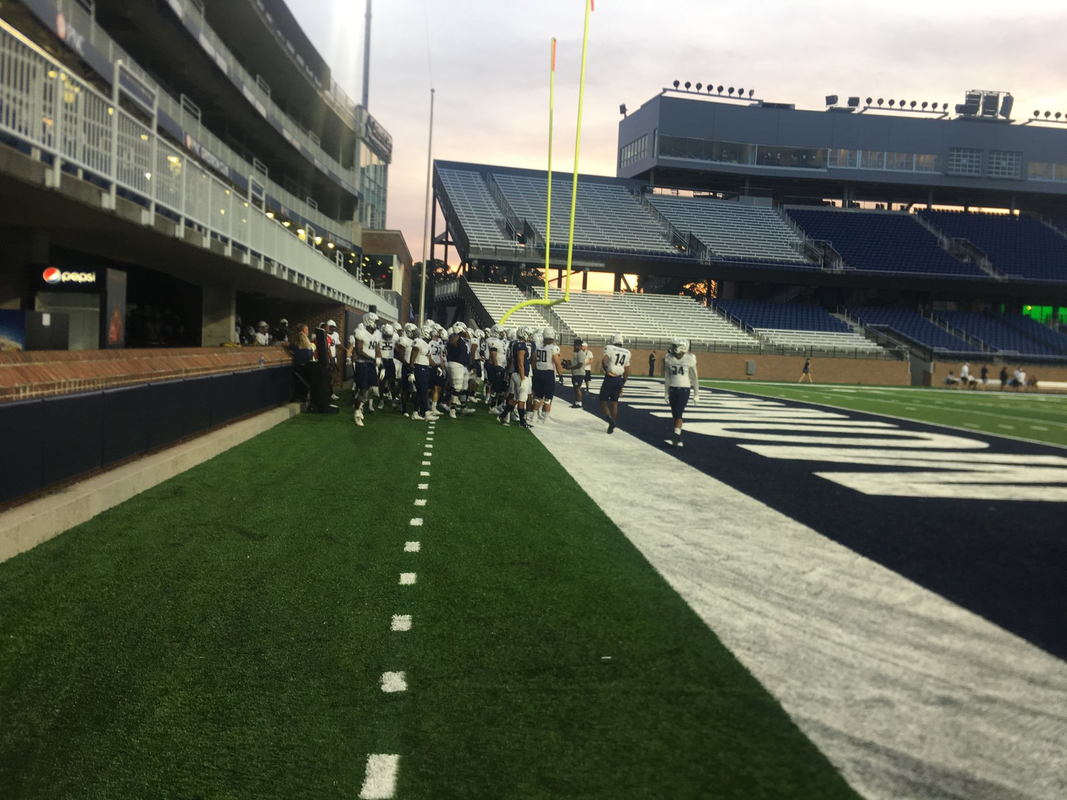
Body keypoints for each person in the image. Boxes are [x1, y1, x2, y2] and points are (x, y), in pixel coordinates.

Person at [663, 337, 699, 448]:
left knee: (678, 413)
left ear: (682, 347)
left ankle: (675, 437)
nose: (672, 348)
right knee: (674, 414)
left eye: (675, 346)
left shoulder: (690, 359)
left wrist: (696, 394)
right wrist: (666, 392)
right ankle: (678, 438)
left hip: (684, 389)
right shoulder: (669, 358)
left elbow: (694, 378)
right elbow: (667, 377)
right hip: (673, 388)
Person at [349, 312, 380, 426]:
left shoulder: (376, 334)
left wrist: (379, 361)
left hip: (371, 364)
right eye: (375, 321)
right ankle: (356, 412)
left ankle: (360, 405)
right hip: (362, 364)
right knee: (362, 389)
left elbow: (377, 349)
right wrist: (373, 358)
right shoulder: (360, 333)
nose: (376, 324)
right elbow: (359, 351)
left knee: (374, 389)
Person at [499, 326, 533, 428]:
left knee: (516, 399)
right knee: (522, 399)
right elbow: (520, 363)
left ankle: (503, 416)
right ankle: (522, 422)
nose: (530, 336)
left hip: (516, 373)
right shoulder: (521, 346)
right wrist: (523, 377)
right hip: (520, 374)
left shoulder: (516, 344)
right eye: (529, 334)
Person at [530, 326, 563, 424]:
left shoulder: (538, 346)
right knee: (548, 397)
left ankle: (534, 416)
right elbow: (557, 363)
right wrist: (561, 374)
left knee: (537, 396)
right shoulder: (553, 348)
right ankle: (546, 418)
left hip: (538, 372)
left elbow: (534, 360)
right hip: (548, 373)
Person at [600, 333, 631, 434]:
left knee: (603, 401)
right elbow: (627, 369)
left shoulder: (610, 348)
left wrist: (606, 369)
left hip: (610, 378)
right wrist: (623, 382)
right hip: (619, 379)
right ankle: (613, 422)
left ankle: (610, 421)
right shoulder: (627, 352)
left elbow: (604, 360)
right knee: (614, 403)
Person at [446, 322, 476, 418]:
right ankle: (452, 409)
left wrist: (471, 364)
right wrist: (459, 333)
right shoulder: (454, 337)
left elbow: (467, 353)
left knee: (464, 387)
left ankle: (463, 408)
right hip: (455, 364)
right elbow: (452, 343)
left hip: (463, 365)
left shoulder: (464, 340)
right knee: (457, 387)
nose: (466, 331)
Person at [408, 324, 438, 421]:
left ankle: (415, 412)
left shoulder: (427, 344)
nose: (432, 336)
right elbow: (412, 357)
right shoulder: (419, 342)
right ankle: (426, 412)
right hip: (418, 367)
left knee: (421, 391)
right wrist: (411, 370)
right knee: (423, 390)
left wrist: (437, 367)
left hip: (425, 368)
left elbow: (428, 358)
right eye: (430, 334)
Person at [570, 339, 592, 408]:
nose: (574, 347)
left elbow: (580, 364)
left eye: (575, 346)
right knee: (575, 388)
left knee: (577, 388)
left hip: (579, 373)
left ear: (579, 346)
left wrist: (571, 367)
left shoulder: (581, 354)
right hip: (576, 373)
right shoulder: (576, 353)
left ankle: (579, 403)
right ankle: (576, 402)